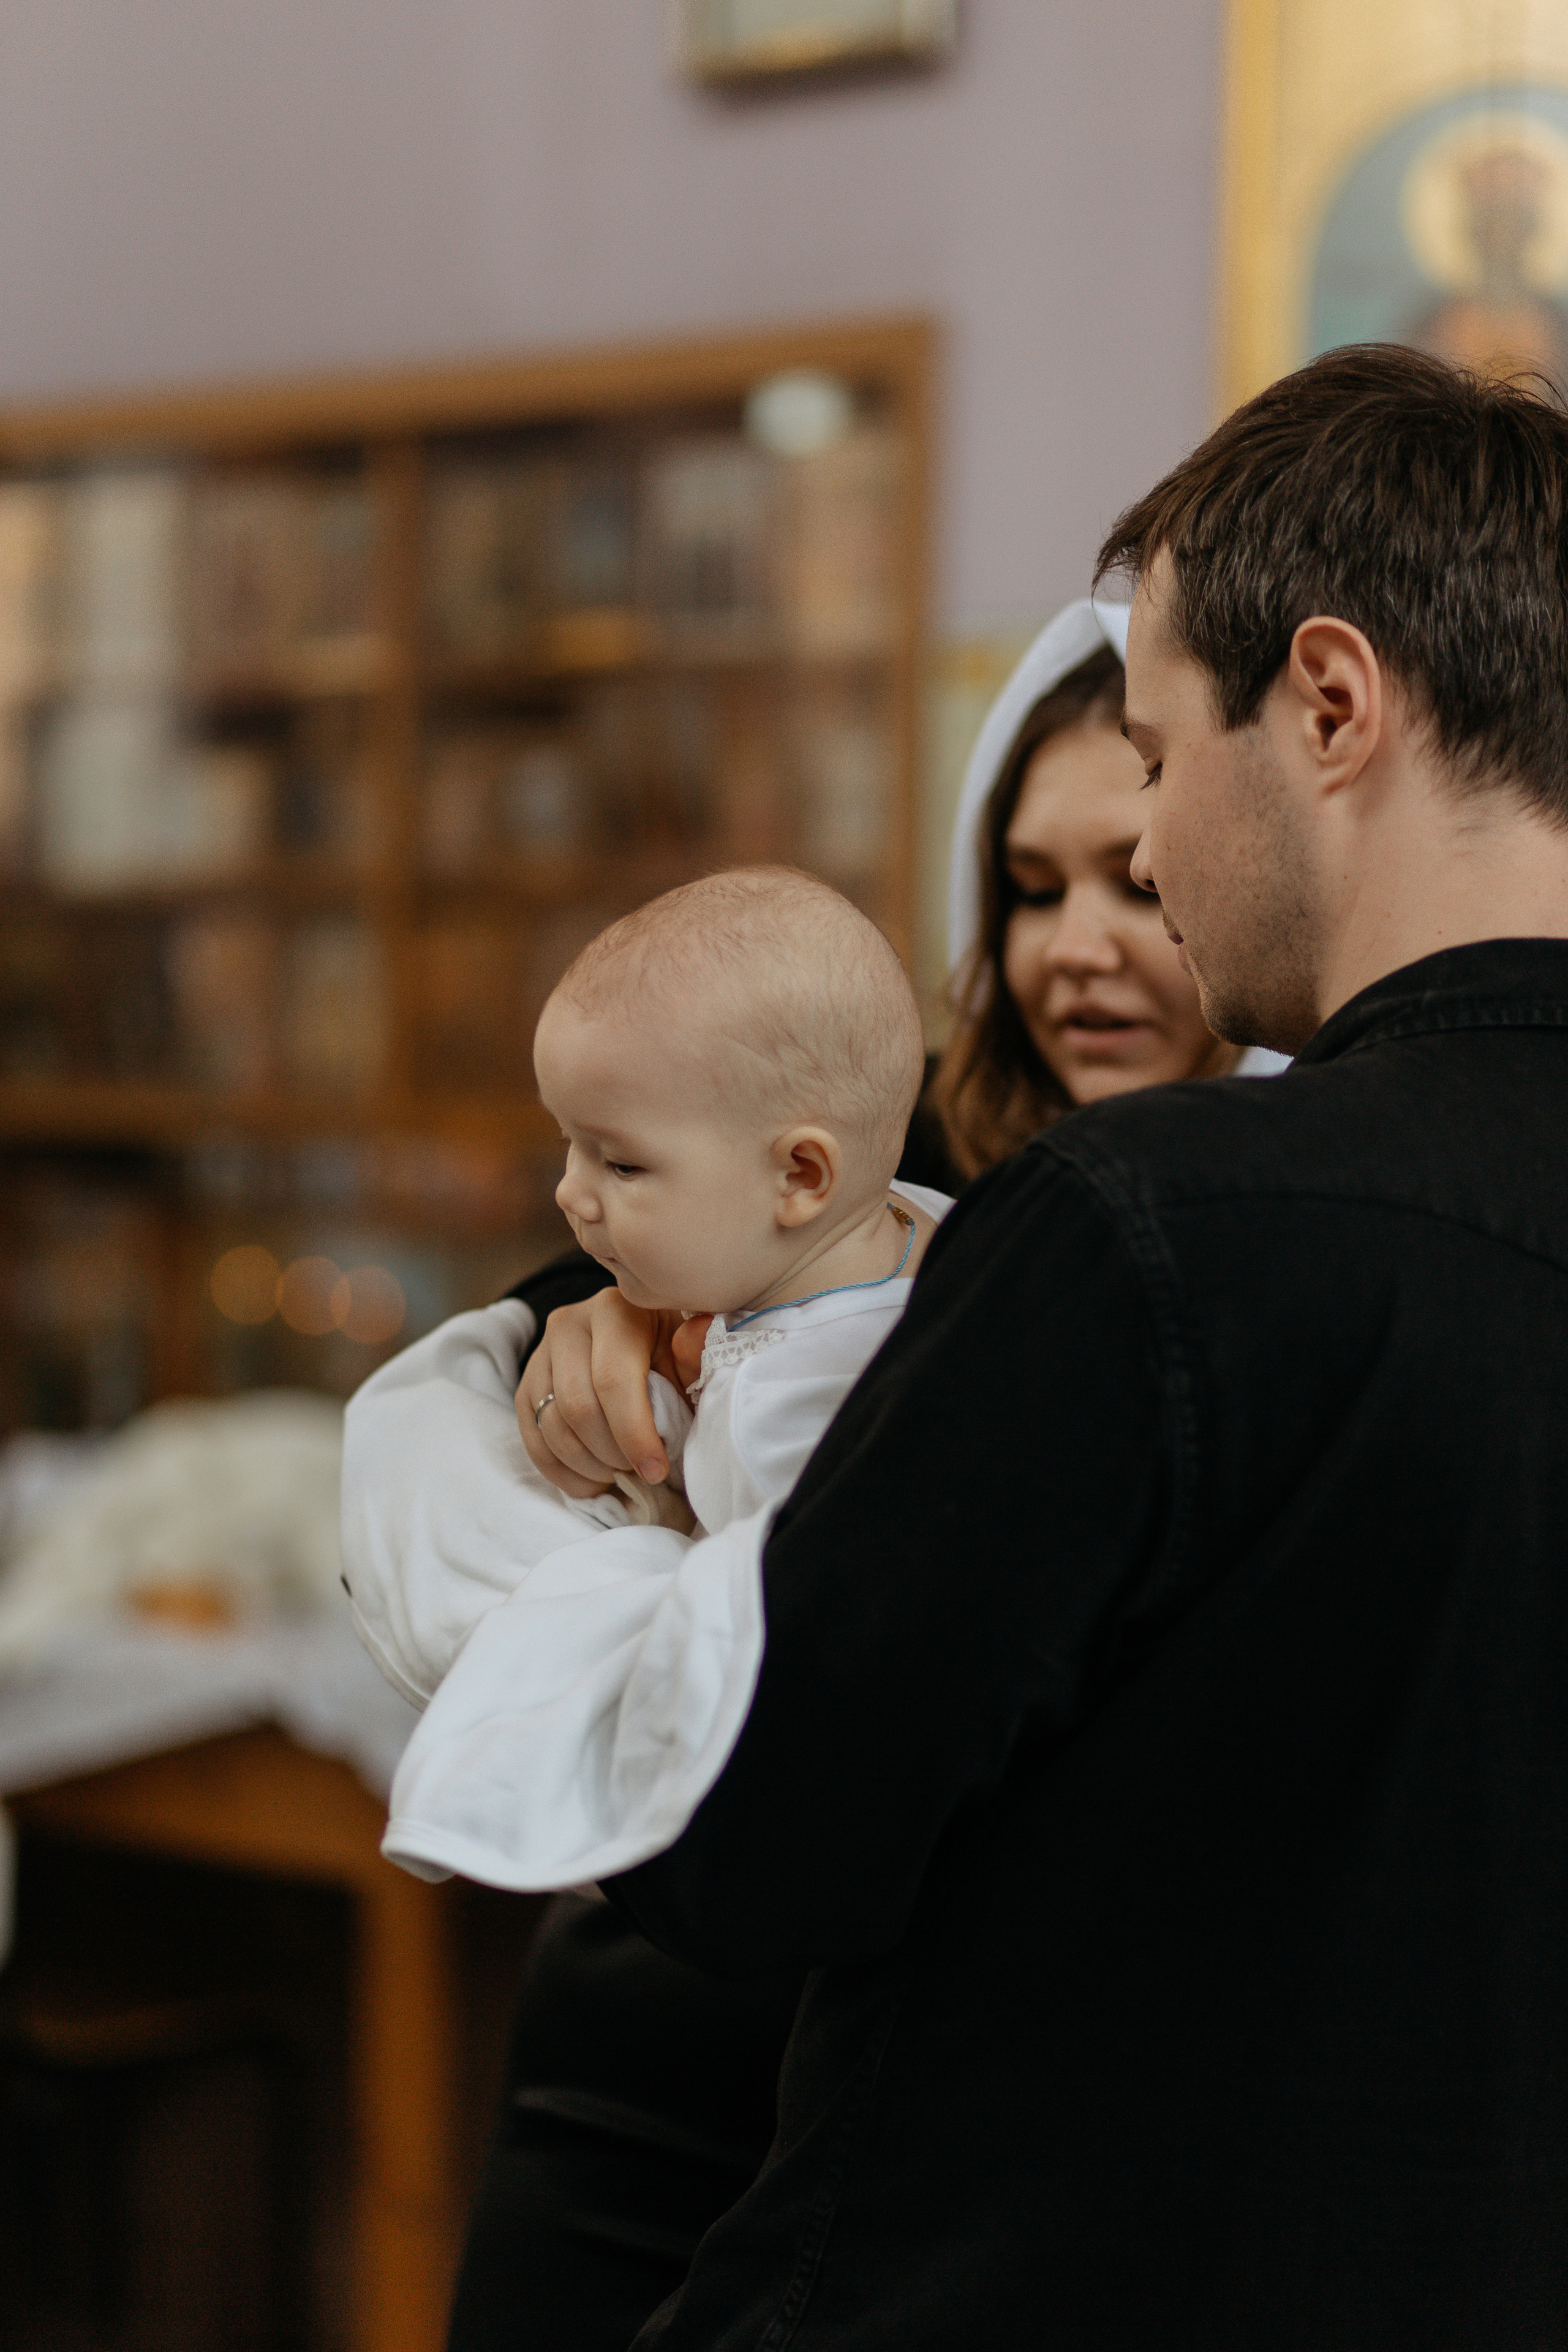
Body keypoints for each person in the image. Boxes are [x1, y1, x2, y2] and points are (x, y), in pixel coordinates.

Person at [514, 347, 1568, 2345]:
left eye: (1162, 760)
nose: (1150, 862)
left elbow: (748, 1849)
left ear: (1331, 707)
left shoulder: (1155, 1222)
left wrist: (582, 1576)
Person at [407, 601, 1279, 2350]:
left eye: (1138, 877)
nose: (1079, 949)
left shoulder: (1273, 1252)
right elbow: (500, 1354)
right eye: (1032, 891)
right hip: (642, 2063)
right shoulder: (889, 1157)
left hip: (944, 2146)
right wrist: (574, 1345)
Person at [342, 867, 946, 1888]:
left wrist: (667, 1527)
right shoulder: (915, 1231)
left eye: (621, 1165)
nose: (570, 1193)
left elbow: (789, 1636)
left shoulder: (800, 1401)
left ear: (801, 1176)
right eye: (569, 1144)